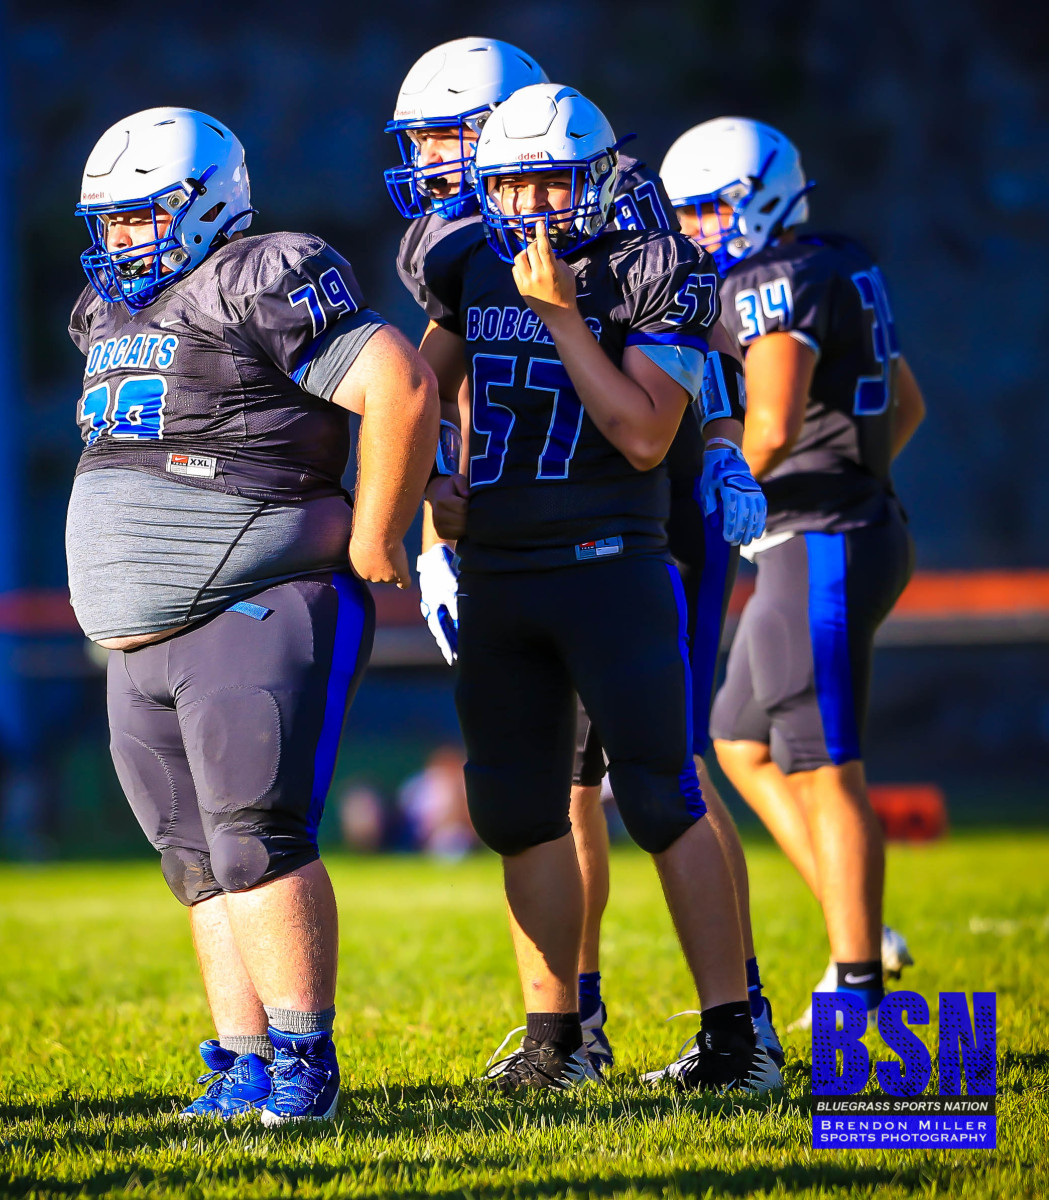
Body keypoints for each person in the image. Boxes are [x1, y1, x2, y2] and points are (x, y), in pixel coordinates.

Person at [387, 38, 780, 1075]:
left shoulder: (643, 251)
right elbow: (415, 395)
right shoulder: (461, 254)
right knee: (526, 802)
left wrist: (723, 443)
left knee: (660, 783)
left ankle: (737, 1028)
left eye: (447, 139)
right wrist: (426, 507)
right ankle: (562, 1032)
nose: (432, 164)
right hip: (507, 556)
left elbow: (656, 417)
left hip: (625, 537)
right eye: (499, 176)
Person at [65, 107, 437, 1123]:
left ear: (205, 203)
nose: (122, 239)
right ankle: (242, 1063)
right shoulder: (107, 310)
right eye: (112, 220)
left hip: (255, 601)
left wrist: (379, 531)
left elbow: (400, 385)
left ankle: (305, 1063)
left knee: (252, 840)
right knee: (193, 862)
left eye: (142, 216)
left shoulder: (260, 273)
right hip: (143, 636)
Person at [660, 117, 925, 1028]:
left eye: (709, 208)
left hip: (819, 538)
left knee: (822, 766)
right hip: (837, 528)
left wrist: (713, 495)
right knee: (741, 740)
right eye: (685, 211)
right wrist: (859, 477)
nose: (695, 228)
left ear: (764, 194)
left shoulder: (771, 277)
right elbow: (907, 404)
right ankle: (865, 930)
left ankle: (857, 984)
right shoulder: (836, 257)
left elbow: (768, 426)